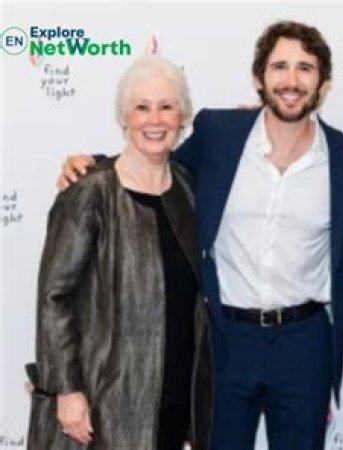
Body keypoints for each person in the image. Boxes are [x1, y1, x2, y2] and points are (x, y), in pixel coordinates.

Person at [57, 21, 343, 450]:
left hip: (304, 343)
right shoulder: (220, 134)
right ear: (259, 77)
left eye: (305, 68)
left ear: (322, 82)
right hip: (225, 340)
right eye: (280, 67)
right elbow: (159, 169)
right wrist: (95, 165)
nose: (291, 81)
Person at [28, 56, 211, 450]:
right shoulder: (89, 192)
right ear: (124, 117)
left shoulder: (189, 190)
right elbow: (54, 296)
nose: (155, 120)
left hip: (172, 401)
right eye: (142, 107)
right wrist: (66, 389)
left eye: (166, 107)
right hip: (101, 404)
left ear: (182, 117)